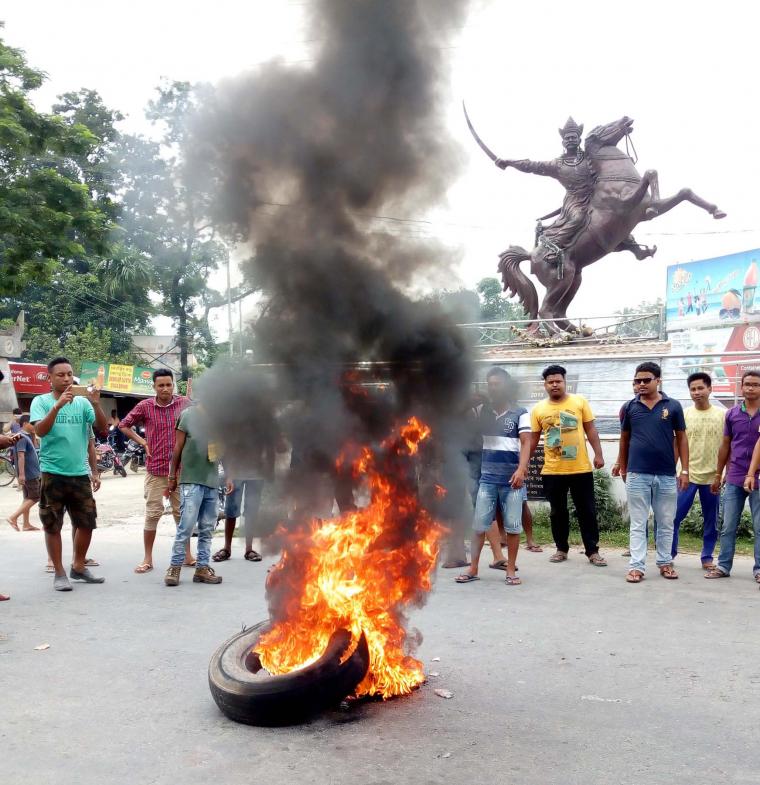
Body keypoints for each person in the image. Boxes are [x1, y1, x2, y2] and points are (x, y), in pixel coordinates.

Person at [30, 357, 106, 592]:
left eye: (69, 374)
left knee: (87, 522)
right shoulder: (40, 401)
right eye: (60, 375)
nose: (66, 378)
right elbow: (40, 430)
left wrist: (95, 403)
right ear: (50, 378)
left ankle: (78, 566)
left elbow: (100, 429)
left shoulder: (83, 403)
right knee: (52, 524)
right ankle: (60, 572)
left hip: (79, 473)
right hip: (52, 472)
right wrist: (57, 406)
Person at [613, 362, 688, 583]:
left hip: (666, 474)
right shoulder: (630, 407)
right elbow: (625, 438)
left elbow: (682, 438)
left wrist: (685, 469)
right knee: (638, 522)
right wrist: (622, 465)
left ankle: (665, 563)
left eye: (647, 380)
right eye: (638, 381)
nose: (642, 384)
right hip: (638, 474)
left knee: (666, 522)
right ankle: (636, 567)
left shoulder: (673, 406)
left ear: (658, 381)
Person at [456, 367, 530, 586]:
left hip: (512, 481)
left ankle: (510, 570)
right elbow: (459, 412)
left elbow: (526, 441)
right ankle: (473, 568)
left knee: (513, 527)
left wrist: (521, 469)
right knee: (479, 526)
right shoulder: (482, 412)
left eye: (497, 384)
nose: (493, 388)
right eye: (490, 384)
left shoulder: (520, 412)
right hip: (487, 479)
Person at [529, 364, 607, 567]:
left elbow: (590, 430)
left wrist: (598, 454)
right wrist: (523, 465)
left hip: (580, 468)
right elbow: (533, 438)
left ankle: (592, 551)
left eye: (558, 381)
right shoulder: (538, 409)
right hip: (552, 471)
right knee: (557, 512)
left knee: (587, 511)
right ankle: (561, 549)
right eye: (550, 382)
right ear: (545, 385)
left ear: (565, 382)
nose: (555, 385)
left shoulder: (579, 402)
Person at [119, 369, 192, 574]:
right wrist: (143, 442)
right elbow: (124, 425)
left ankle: (187, 555)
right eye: (161, 385)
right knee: (153, 514)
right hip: (156, 469)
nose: (165, 389)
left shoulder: (184, 403)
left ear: (173, 385)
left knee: (183, 514)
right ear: (154, 387)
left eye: (169, 385)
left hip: (181, 470)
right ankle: (147, 558)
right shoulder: (145, 406)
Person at [164, 405, 230, 587]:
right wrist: (172, 476)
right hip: (191, 480)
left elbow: (222, 452)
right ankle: (174, 567)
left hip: (212, 482)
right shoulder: (188, 415)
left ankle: (202, 568)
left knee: (208, 528)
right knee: (186, 526)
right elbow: (178, 447)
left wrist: (229, 475)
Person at [707, 370, 760, 581]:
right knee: (728, 525)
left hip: (758, 478)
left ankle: (759, 570)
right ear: (741, 387)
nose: (750, 388)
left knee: (759, 526)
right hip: (735, 476)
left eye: (755, 384)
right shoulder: (732, 414)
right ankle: (723, 566)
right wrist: (718, 474)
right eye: (747, 384)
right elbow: (725, 446)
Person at [671, 373, 724, 569]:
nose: (697, 392)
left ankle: (707, 557)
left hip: (712, 477)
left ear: (710, 389)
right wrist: (673, 469)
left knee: (711, 519)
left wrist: (723, 472)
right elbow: (677, 443)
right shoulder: (684, 414)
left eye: (700, 388)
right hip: (687, 476)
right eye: (693, 389)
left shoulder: (723, 415)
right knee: (674, 516)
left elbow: (729, 446)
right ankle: (669, 554)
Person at [7, 415, 41, 531]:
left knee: (27, 498)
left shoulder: (26, 436)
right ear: (25, 423)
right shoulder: (21, 437)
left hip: (29, 473)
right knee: (36, 496)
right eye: (33, 424)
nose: (35, 426)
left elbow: (35, 449)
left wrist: (33, 436)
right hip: (29, 473)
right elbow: (20, 455)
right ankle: (13, 517)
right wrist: (21, 474)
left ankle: (26, 524)